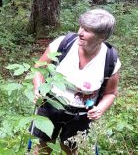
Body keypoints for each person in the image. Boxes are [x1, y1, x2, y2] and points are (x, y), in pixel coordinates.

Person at [32, 9, 121, 155]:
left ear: (102, 36)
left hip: (81, 113)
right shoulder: (63, 43)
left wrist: (101, 108)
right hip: (51, 104)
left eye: (87, 30)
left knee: (71, 149)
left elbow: (110, 93)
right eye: (81, 27)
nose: (80, 32)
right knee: (43, 147)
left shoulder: (110, 59)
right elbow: (38, 69)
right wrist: (38, 88)